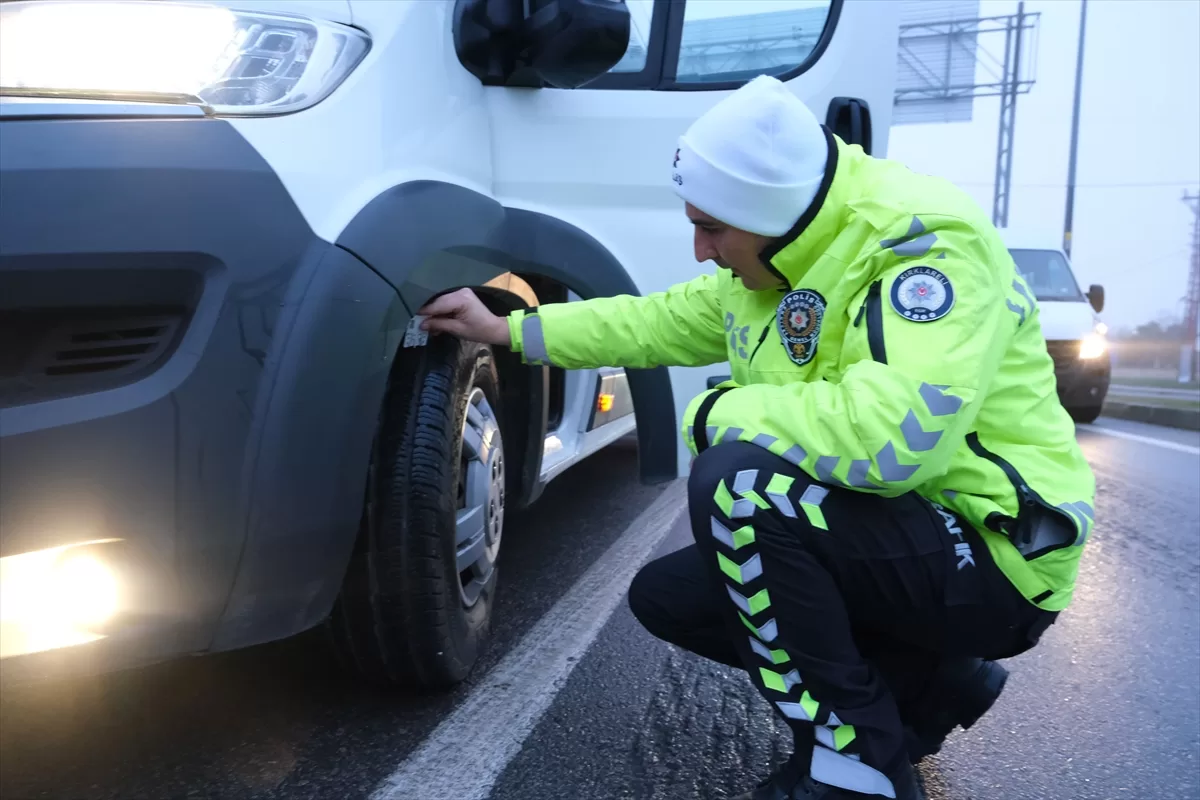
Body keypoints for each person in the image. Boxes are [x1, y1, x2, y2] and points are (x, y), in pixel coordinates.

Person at [417, 75, 1095, 800]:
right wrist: (508, 329)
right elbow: (654, 322)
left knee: (741, 489)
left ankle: (857, 771)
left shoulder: (922, 248)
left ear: (768, 211)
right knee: (669, 596)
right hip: (908, 531)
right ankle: (929, 685)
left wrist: (719, 415)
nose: (702, 249)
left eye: (712, 227)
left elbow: (894, 442)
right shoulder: (777, 258)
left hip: (994, 551)